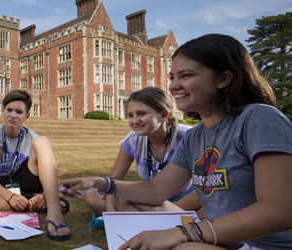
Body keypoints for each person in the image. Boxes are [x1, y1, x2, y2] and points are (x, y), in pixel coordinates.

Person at [62, 34, 292, 249]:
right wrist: (99, 182)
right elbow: (155, 190)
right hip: (222, 241)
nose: (173, 86)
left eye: (186, 75)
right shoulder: (195, 136)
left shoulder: (258, 119)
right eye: (172, 77)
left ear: (223, 79)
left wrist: (185, 232)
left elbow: (279, 211)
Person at [0, 90, 71, 241]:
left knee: (43, 141)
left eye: (19, 112)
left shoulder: (33, 138)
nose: (13, 115)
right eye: (9, 110)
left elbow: (48, 170)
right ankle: (35, 203)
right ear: (2, 111)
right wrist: (11, 197)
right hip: (2, 185)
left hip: (26, 182)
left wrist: (43, 193)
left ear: (27, 116)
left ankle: (54, 212)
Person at [82, 87, 195, 227]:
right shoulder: (132, 140)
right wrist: (111, 209)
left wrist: (169, 209)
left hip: (185, 200)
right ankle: (152, 220)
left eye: (141, 114)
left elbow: (208, 189)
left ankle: (159, 220)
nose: (135, 121)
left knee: (126, 202)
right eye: (130, 115)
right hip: (148, 199)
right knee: (92, 194)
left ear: (164, 115)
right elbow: (114, 180)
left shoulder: (190, 137)